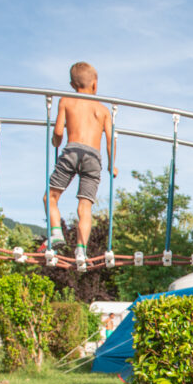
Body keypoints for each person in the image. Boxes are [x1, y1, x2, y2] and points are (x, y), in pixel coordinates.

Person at [43, 61, 116, 262]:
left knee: (50, 197)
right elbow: (110, 141)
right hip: (93, 157)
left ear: (72, 84)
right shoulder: (103, 111)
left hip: (72, 151)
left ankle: (57, 232)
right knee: (85, 207)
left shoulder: (66, 101)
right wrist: (112, 165)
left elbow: (58, 132)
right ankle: (81, 249)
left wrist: (55, 141)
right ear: (95, 84)